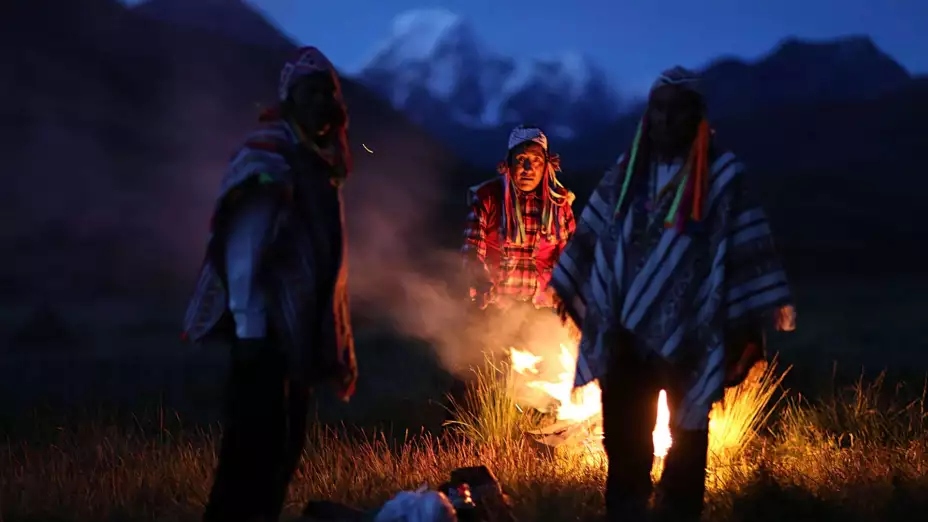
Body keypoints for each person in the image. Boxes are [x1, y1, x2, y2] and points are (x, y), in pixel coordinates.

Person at [549, 66, 797, 522]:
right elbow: (592, 239)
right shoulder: (627, 173)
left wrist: (740, 326)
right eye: (658, 110)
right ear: (648, 116)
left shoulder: (723, 176)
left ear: (698, 117)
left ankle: (677, 514)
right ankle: (627, 511)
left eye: (677, 111)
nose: (665, 120)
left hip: (695, 336)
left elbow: (746, 249)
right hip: (625, 337)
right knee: (624, 444)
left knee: (686, 445)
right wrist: (586, 293)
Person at [181, 46, 358, 522]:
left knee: (282, 450)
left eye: (328, 93)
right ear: (290, 99)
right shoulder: (271, 155)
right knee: (250, 455)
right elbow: (245, 253)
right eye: (311, 92)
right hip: (263, 337)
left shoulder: (318, 162)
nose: (322, 102)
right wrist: (252, 332)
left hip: (292, 337)